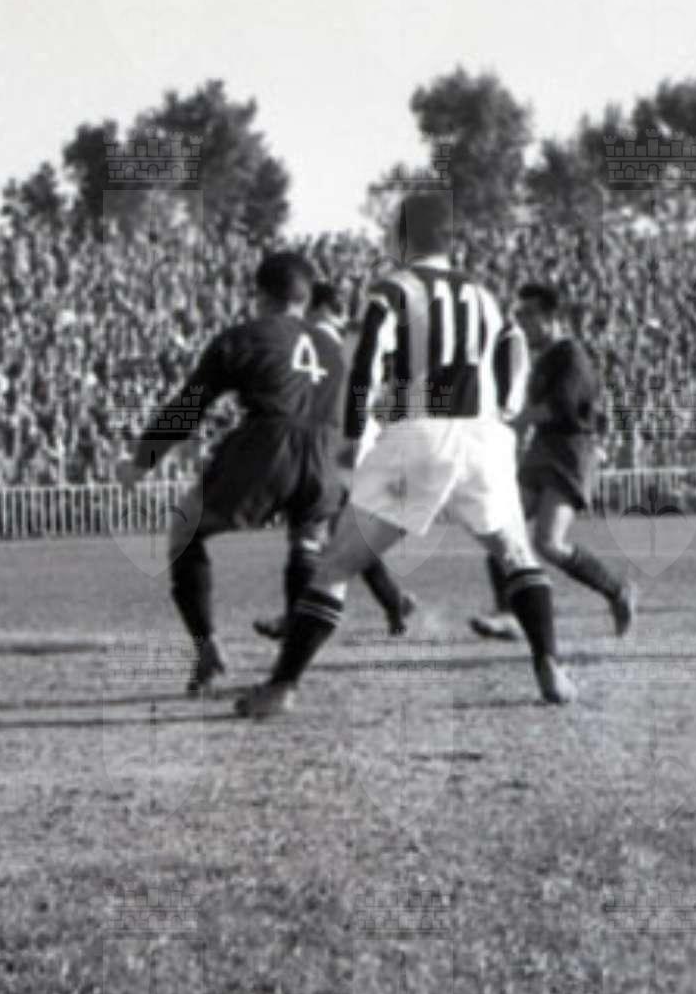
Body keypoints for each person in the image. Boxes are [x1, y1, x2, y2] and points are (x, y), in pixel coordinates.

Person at [236, 196, 575, 719]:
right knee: (516, 555)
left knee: (336, 565)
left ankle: (282, 686)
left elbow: (367, 365)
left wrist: (355, 435)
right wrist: (505, 409)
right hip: (483, 439)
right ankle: (549, 665)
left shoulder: (394, 290)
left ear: (403, 238)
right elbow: (513, 352)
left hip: (418, 437)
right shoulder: (485, 296)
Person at [117, 250, 344, 696]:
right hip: (324, 454)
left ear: (261, 295)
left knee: (185, 529)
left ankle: (207, 650)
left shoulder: (246, 337)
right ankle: (286, 672)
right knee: (306, 543)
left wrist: (142, 462)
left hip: (269, 446)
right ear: (306, 298)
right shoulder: (334, 351)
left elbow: (189, 408)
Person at [252, 281, 419, 643]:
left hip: (337, 442)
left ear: (318, 307)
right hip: (351, 440)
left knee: (309, 531)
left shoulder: (321, 341)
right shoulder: (350, 337)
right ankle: (395, 603)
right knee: (343, 536)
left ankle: (295, 619)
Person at [469, 282, 635, 643]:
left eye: (528, 314)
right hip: (543, 449)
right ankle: (508, 614)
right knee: (501, 527)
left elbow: (560, 407)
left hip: (570, 453)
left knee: (548, 543)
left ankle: (616, 591)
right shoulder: (545, 357)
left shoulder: (571, 355)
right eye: (519, 315)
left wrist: (513, 422)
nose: (522, 322)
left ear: (551, 317)